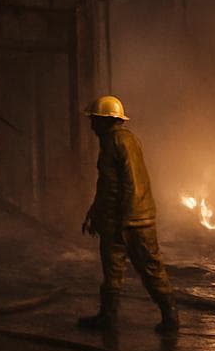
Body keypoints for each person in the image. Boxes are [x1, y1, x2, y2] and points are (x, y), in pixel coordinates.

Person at [77, 96, 180, 335]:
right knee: (112, 271)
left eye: (94, 119)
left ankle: (170, 315)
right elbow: (107, 185)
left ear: (106, 120)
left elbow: (132, 183)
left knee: (150, 269)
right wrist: (95, 213)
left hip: (133, 222)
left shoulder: (123, 141)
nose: (91, 124)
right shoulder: (110, 141)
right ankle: (108, 316)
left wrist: (127, 222)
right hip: (115, 221)